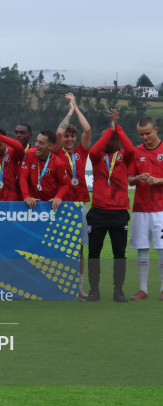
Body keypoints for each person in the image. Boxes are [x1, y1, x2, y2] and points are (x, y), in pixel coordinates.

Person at [86, 109, 134, 302]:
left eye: (112, 139)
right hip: (97, 212)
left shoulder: (124, 156)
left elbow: (131, 149)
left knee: (119, 253)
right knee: (94, 252)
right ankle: (94, 290)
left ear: (118, 141)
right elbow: (92, 150)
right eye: (106, 139)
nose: (108, 142)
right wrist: (109, 129)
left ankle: (118, 291)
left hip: (119, 213)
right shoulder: (97, 158)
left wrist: (118, 128)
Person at [54, 93, 92, 299]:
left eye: (72, 136)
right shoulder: (56, 152)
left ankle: (78, 287)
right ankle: (60, 285)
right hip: (60, 205)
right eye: (67, 136)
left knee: (78, 249)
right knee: (59, 246)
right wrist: (69, 111)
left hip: (79, 205)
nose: (69, 139)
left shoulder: (81, 152)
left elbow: (87, 129)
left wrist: (76, 107)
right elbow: (58, 133)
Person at [127, 116, 163, 301]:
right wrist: (138, 178)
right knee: (141, 248)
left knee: (162, 248)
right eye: (141, 134)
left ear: (156, 130)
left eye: (147, 133)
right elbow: (129, 178)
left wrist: (158, 180)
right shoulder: (135, 151)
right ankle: (143, 290)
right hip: (141, 209)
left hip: (161, 210)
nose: (144, 137)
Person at [19, 131, 69, 210]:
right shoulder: (30, 154)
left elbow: (65, 184)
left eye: (41, 143)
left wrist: (58, 197)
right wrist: (26, 196)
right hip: (33, 203)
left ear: (50, 146)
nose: (36, 145)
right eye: (36, 141)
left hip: (51, 204)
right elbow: (23, 177)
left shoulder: (58, 163)